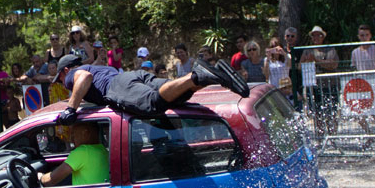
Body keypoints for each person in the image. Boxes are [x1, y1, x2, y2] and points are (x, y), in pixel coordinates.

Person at [52, 51, 247, 125]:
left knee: (154, 104)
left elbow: (84, 78)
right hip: (132, 76)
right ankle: (206, 77)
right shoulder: (99, 67)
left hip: (116, 86)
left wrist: (71, 109)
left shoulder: (73, 75)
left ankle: (198, 76)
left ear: (66, 70)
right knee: (175, 96)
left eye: (59, 78)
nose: (62, 83)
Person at [39, 122, 110, 187]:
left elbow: (50, 180)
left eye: (73, 134)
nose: (71, 139)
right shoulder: (102, 150)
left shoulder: (82, 151)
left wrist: (41, 177)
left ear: (86, 133)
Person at [300, 26, 339, 136]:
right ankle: (320, 136)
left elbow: (333, 64)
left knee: (331, 112)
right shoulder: (307, 50)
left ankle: (332, 136)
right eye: (314, 35)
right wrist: (306, 61)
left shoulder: (330, 49)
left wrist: (316, 60)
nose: (316, 37)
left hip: (329, 86)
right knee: (316, 113)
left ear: (323, 36)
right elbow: (299, 66)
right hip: (313, 86)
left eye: (319, 35)